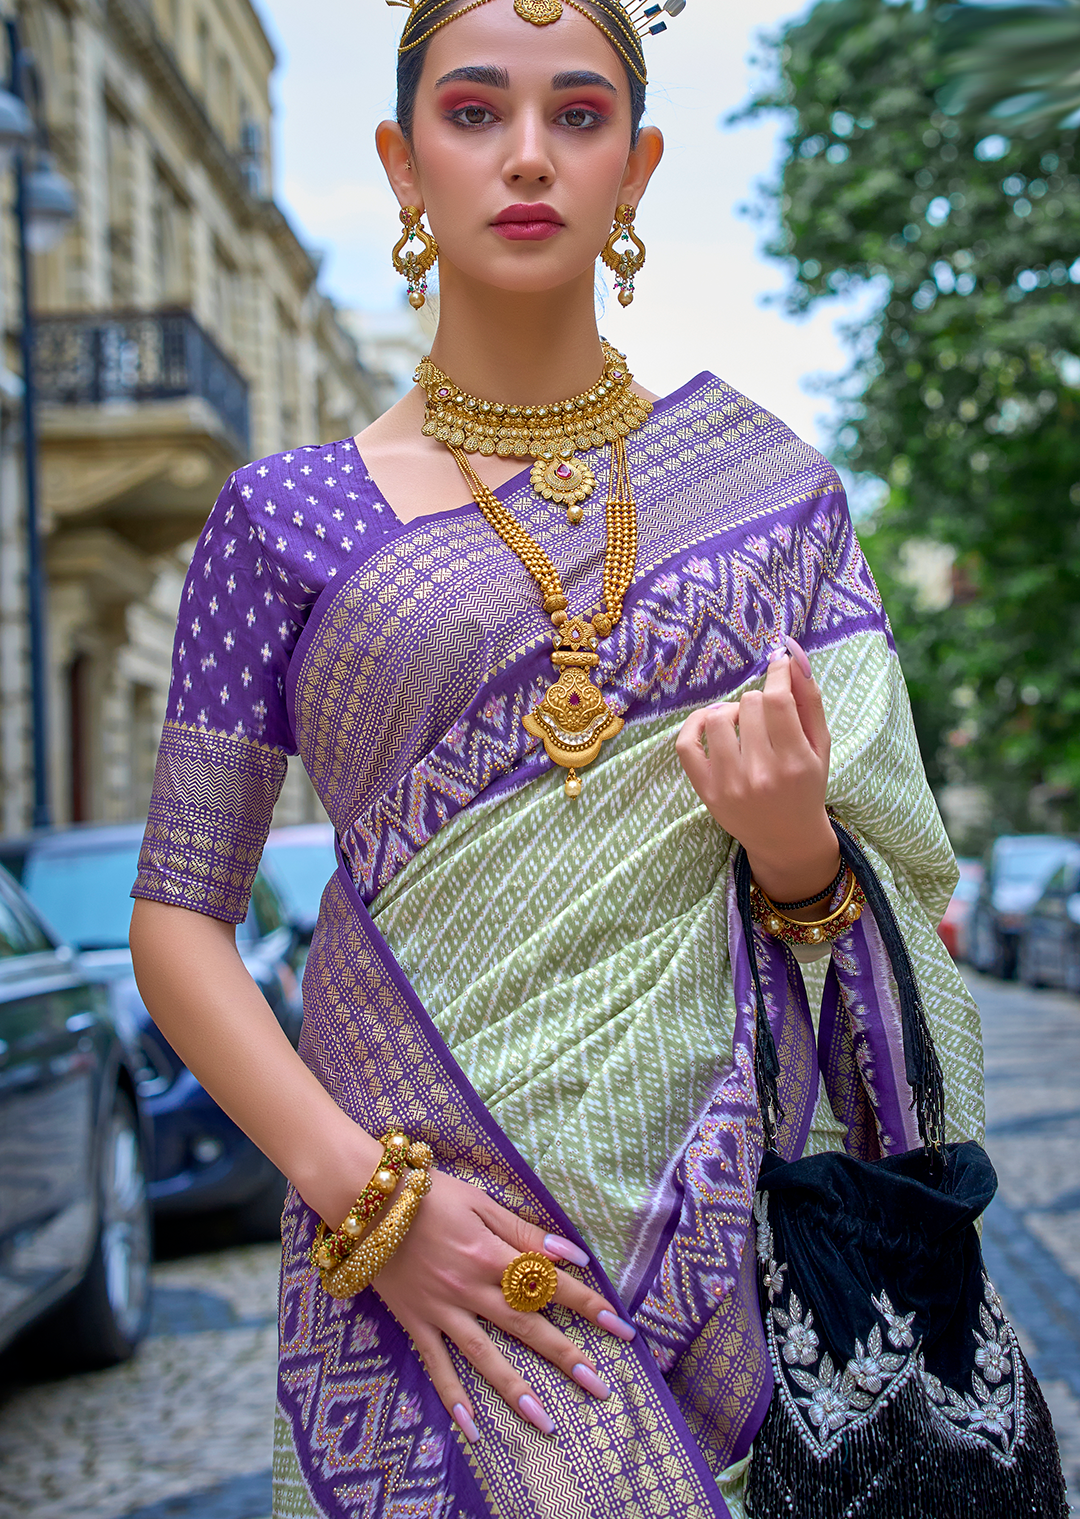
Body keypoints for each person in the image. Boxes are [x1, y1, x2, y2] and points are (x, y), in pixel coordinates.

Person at [129, 1, 984, 1515]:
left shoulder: (772, 492)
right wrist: (372, 1204)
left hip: (744, 1245)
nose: (527, 155)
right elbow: (178, 915)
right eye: (473, 113)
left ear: (637, 167)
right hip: (416, 1263)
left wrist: (794, 846)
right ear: (401, 162)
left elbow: (902, 899)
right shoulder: (282, 520)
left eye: (578, 115)